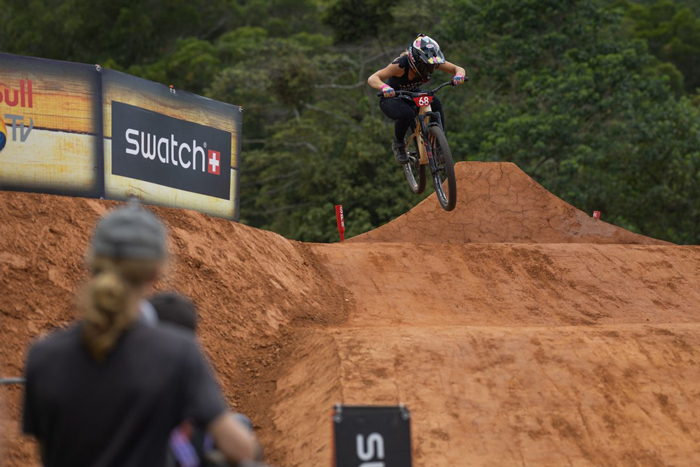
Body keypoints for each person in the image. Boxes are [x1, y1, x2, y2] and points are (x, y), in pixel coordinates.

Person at [22, 203, 256, 467]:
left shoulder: (43, 356)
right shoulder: (178, 353)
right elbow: (240, 449)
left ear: (92, 261)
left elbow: (47, 452)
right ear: (157, 270)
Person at [367, 34, 467, 164]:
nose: (430, 69)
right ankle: (398, 144)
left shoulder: (431, 62)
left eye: (433, 66)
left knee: (435, 102)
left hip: (413, 94)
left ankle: (439, 144)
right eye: (427, 66)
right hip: (392, 98)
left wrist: (459, 76)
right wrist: (384, 87)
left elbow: (458, 68)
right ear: (416, 61)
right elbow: (373, 78)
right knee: (406, 114)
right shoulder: (400, 65)